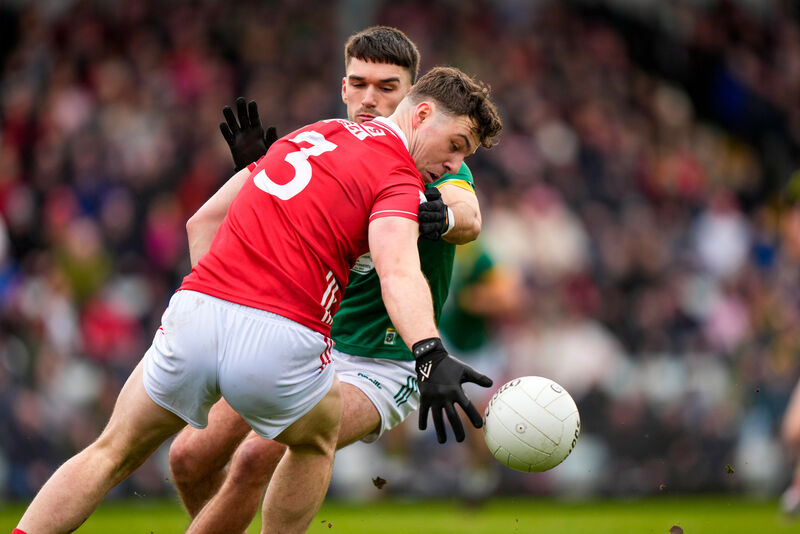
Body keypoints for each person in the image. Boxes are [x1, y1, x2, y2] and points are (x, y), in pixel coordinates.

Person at [13, 65, 502, 534]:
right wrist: (430, 352)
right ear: (420, 115)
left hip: (199, 309)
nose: (454, 163)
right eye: (456, 145)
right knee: (311, 441)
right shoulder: (397, 175)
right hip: (283, 332)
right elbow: (397, 272)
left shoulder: (311, 135)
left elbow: (203, 221)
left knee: (109, 451)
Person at [168, 27, 491, 533]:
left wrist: (443, 217)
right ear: (343, 89)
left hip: (384, 357)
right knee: (188, 458)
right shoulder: (321, 150)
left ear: (416, 102)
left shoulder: (434, 165)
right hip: (304, 339)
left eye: (387, 87)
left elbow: (468, 214)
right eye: (359, 84)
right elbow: (218, 227)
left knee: (257, 455)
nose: (370, 99)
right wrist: (258, 175)